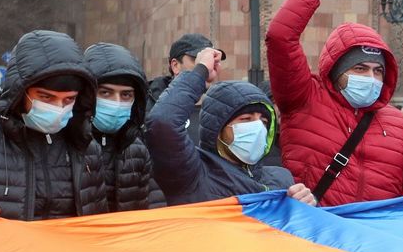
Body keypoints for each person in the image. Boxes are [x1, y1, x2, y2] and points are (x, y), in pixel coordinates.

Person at [265, 0, 403, 206]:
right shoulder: (304, 98)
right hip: (314, 237)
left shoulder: (398, 124)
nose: (371, 78)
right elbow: (280, 36)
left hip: (369, 242)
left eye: (378, 72)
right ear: (335, 70)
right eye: (360, 68)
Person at [145, 48, 315, 206]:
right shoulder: (193, 174)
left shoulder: (281, 178)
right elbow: (163, 122)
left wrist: (305, 208)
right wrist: (199, 72)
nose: (257, 128)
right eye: (246, 119)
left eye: (263, 122)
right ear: (218, 128)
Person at [0, 30, 107, 220]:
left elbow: (98, 224)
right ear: (20, 91)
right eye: (46, 97)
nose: (58, 108)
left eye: (69, 99)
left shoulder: (87, 148)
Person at [84, 42, 165, 211]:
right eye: (105, 93)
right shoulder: (68, 146)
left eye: (126, 95)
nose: (117, 102)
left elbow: (151, 209)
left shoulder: (137, 150)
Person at [147, 33, 226, 146]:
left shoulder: (220, 110)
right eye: (197, 61)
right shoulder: (149, 106)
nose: (208, 66)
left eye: (211, 60)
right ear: (175, 65)